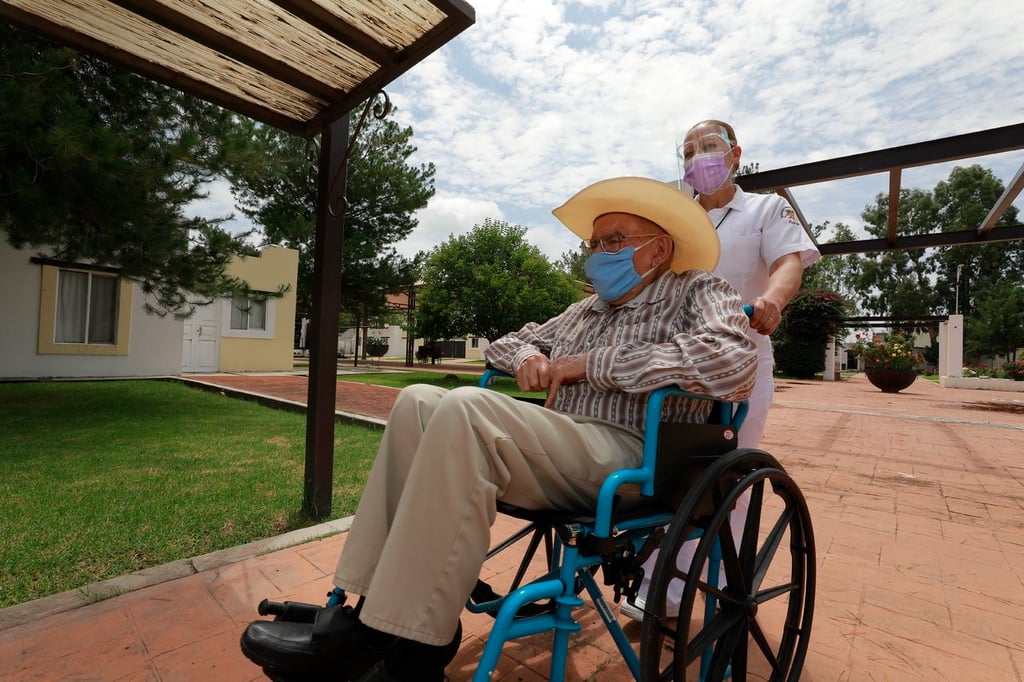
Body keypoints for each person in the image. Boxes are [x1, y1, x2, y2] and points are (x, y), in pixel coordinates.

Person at [240, 176, 758, 682]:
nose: (598, 253)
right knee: (417, 400)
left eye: (614, 241)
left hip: (636, 451)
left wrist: (591, 364)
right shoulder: (585, 309)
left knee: (468, 408)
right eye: (595, 242)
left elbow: (733, 361)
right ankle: (371, 613)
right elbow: (504, 343)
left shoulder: (698, 290)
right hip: (563, 440)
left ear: (659, 249)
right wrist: (530, 355)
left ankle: (413, 648)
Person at [620, 120, 821, 622]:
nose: (697, 158)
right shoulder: (673, 216)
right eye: (688, 150)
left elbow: (789, 263)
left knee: (718, 483)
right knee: (658, 477)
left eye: (708, 147)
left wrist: (772, 300)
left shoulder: (764, 209)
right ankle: (651, 579)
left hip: (738, 363)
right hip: (668, 362)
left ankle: (709, 589)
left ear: (735, 154)